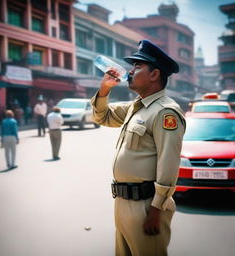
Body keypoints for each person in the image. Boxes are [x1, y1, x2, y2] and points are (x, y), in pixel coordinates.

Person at [91, 39, 186, 256]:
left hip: (146, 205)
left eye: (138, 66)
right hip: (122, 202)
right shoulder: (137, 107)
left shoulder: (165, 112)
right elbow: (102, 117)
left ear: (154, 75)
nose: (131, 71)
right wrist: (104, 89)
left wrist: (156, 209)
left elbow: (168, 162)